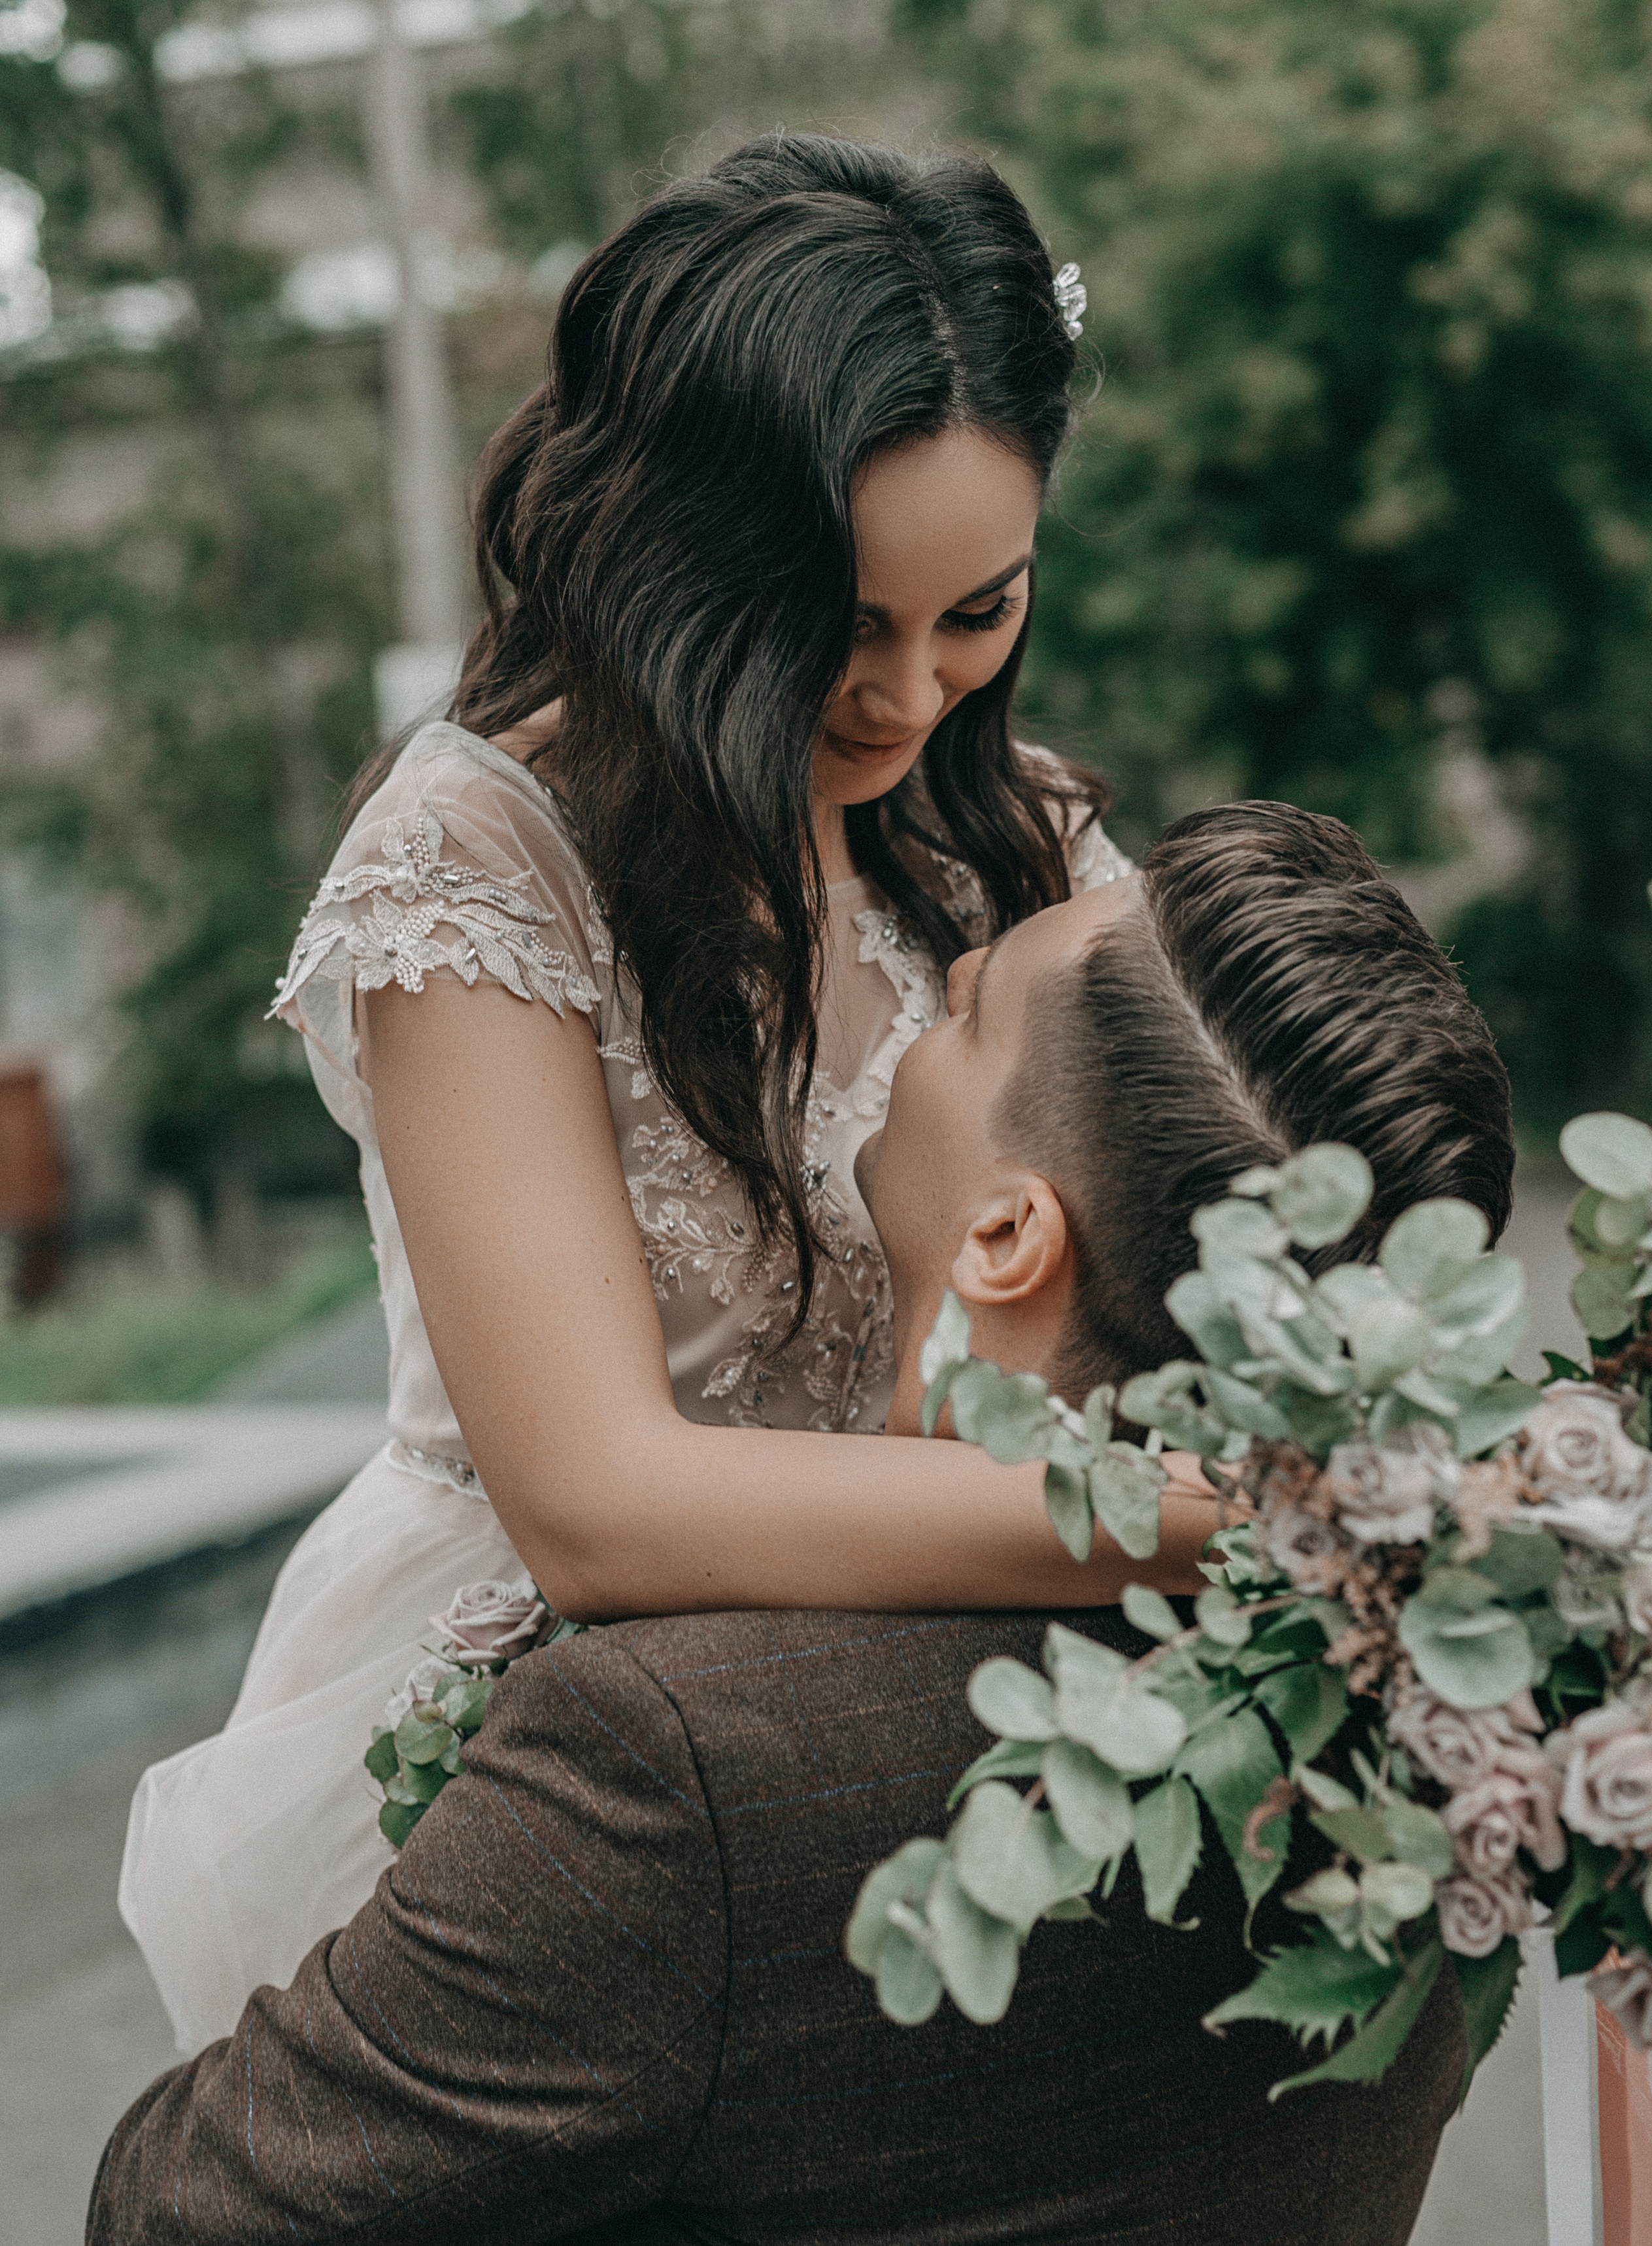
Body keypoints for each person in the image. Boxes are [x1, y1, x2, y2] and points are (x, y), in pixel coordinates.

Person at [121, 131, 1232, 2058]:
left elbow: (1195, 1211)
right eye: (840, 622)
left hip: (930, 1689)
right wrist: (1198, 1509)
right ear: (679, 556)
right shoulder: (479, 857)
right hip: (554, 1720)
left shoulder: (1011, 828)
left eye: (977, 610)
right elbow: (599, 1508)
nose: (909, 697)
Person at [88, 799, 1512, 2246]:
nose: (951, 971)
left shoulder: (672, 1764)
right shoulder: (1454, 1730)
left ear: (1007, 1237)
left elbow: (181, 2206)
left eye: (973, 1015)